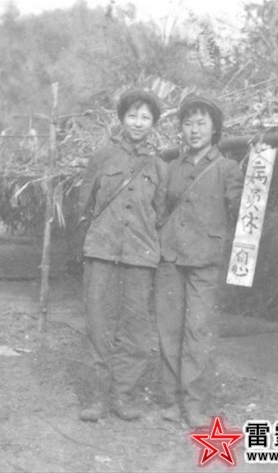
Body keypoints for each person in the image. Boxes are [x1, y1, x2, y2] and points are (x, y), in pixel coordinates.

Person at [77, 89, 167, 422]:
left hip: (140, 259)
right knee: (99, 327)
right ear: (122, 119)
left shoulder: (159, 167)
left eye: (145, 117)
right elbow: (84, 203)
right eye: (132, 115)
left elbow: (161, 212)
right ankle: (95, 398)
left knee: (136, 332)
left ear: (153, 123)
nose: (138, 123)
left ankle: (123, 396)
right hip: (102, 253)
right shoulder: (102, 157)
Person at [154, 94, 244, 428]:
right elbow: (160, 210)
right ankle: (169, 399)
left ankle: (195, 404)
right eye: (188, 123)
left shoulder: (227, 168)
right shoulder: (171, 169)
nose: (194, 130)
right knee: (169, 329)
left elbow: (242, 209)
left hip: (205, 259)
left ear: (214, 129)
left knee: (198, 330)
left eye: (201, 123)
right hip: (170, 257)